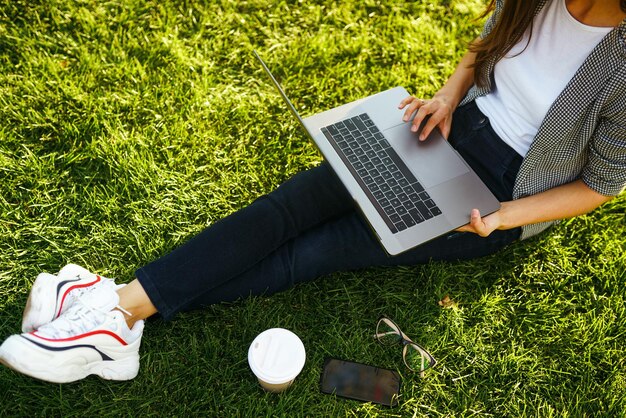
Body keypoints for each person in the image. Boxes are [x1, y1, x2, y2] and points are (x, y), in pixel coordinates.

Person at [1, 0, 625, 383]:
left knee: (320, 250)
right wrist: (446, 96)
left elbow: (600, 183)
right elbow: (485, 44)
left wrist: (503, 216)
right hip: (449, 129)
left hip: (505, 188)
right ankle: (116, 312)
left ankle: (112, 312)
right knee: (290, 206)